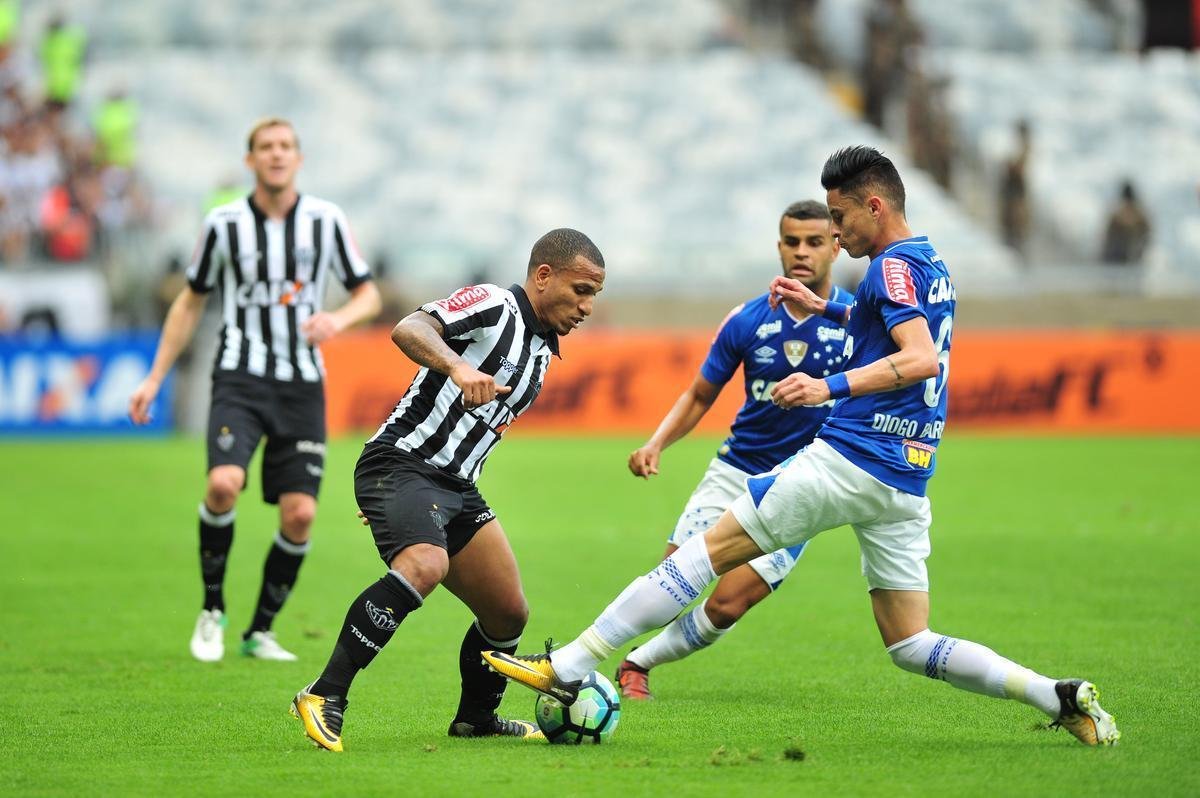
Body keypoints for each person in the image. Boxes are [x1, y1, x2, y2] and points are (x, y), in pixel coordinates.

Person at [483, 146, 1120, 747]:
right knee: (909, 641)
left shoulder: (890, 267)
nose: (836, 236)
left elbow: (920, 357)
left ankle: (567, 662)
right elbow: (894, 324)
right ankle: (1054, 696)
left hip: (850, 459)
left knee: (705, 556)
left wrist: (827, 385)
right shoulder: (925, 262)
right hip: (907, 477)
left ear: (875, 206)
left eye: (839, 219)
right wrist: (830, 310)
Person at [289, 228, 605, 752]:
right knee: (424, 566)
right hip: (402, 463)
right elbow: (409, 327)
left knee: (508, 613)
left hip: (453, 486)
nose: (588, 306)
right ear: (543, 277)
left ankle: (476, 719)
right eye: (582, 290)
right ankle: (324, 694)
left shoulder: (544, 350)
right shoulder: (494, 304)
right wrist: (458, 365)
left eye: (595, 294)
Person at [128, 118, 382, 663]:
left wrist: (338, 319)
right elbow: (190, 300)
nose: (276, 155)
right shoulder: (223, 225)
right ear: (250, 161)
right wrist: (155, 376)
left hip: (302, 384)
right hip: (240, 376)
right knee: (223, 484)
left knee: (300, 516)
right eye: (265, 147)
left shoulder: (325, 220)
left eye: (285, 146)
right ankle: (212, 609)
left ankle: (259, 630)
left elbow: (369, 295)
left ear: (298, 157)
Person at [614, 200, 852, 700]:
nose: (802, 252)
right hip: (735, 469)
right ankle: (589, 656)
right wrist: (656, 443)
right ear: (779, 246)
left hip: (804, 482)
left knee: (726, 605)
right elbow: (701, 394)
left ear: (836, 245)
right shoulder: (747, 319)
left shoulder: (855, 322)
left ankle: (639, 662)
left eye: (814, 242)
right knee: (673, 581)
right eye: (792, 241)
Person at [1100, 180, 1151, 265]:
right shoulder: (1115, 219)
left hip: (1136, 264)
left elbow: (1146, 240)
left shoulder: (1141, 219)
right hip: (1114, 264)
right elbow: (1107, 245)